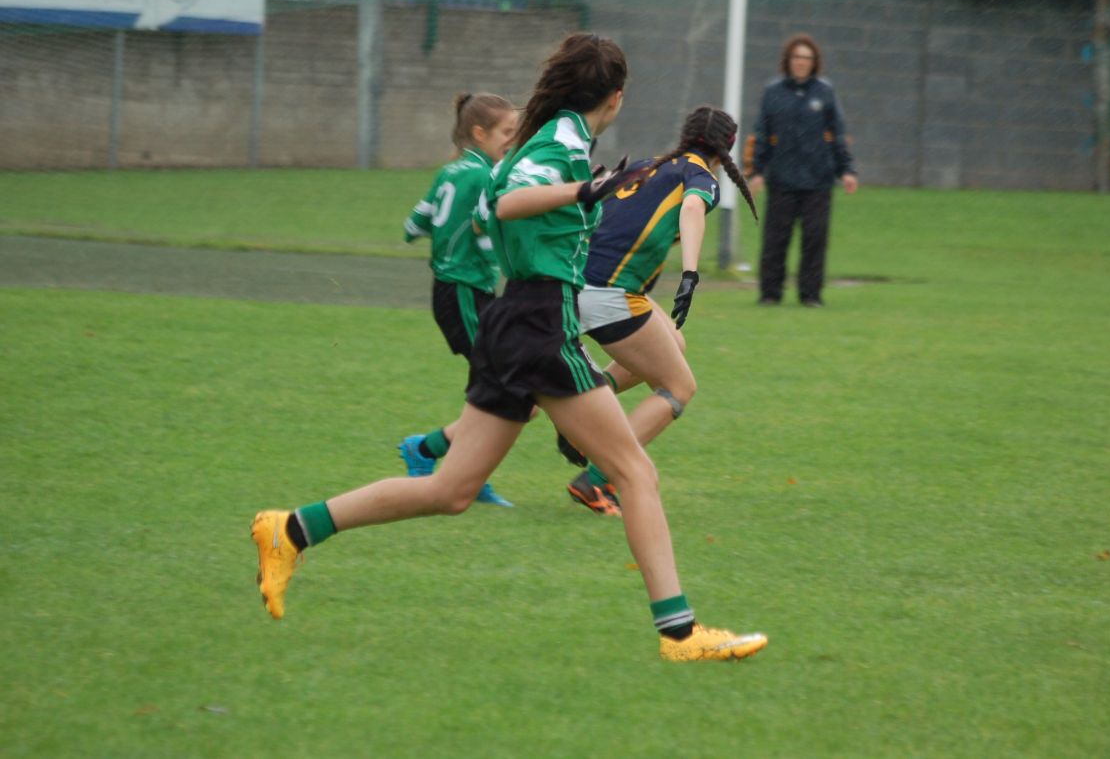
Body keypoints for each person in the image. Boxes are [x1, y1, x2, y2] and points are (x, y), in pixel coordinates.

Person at [250, 33, 767, 662]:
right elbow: (508, 198)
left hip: (518, 316)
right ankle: (680, 635)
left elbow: (499, 199)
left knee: (451, 491)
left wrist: (589, 192)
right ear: (616, 95)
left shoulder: (557, 133)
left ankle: (290, 528)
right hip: (538, 320)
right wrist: (584, 192)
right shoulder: (566, 136)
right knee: (635, 471)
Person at [563, 105, 756, 516]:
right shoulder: (699, 176)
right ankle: (599, 477)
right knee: (679, 387)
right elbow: (691, 211)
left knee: (673, 342)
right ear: (728, 148)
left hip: (578, 281)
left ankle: (584, 414)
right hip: (609, 293)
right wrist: (690, 272)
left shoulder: (650, 166)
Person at [398, 92, 518, 507]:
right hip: (465, 291)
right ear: (479, 133)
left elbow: (414, 224)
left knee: (494, 386)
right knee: (498, 385)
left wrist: (442, 240)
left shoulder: (449, 172)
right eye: (507, 132)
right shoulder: (486, 176)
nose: (512, 140)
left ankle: (462, 468)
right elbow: (486, 228)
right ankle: (430, 452)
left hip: (456, 290)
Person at [745, 33, 858, 308]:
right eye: (797, 57)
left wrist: (847, 170)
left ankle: (811, 294)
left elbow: (838, 133)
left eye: (807, 58)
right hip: (781, 179)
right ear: (788, 60)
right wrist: (756, 171)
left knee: (814, 240)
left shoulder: (824, 92)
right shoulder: (773, 92)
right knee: (775, 239)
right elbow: (762, 134)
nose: (801, 63)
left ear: (814, 62)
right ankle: (770, 294)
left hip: (818, 180)